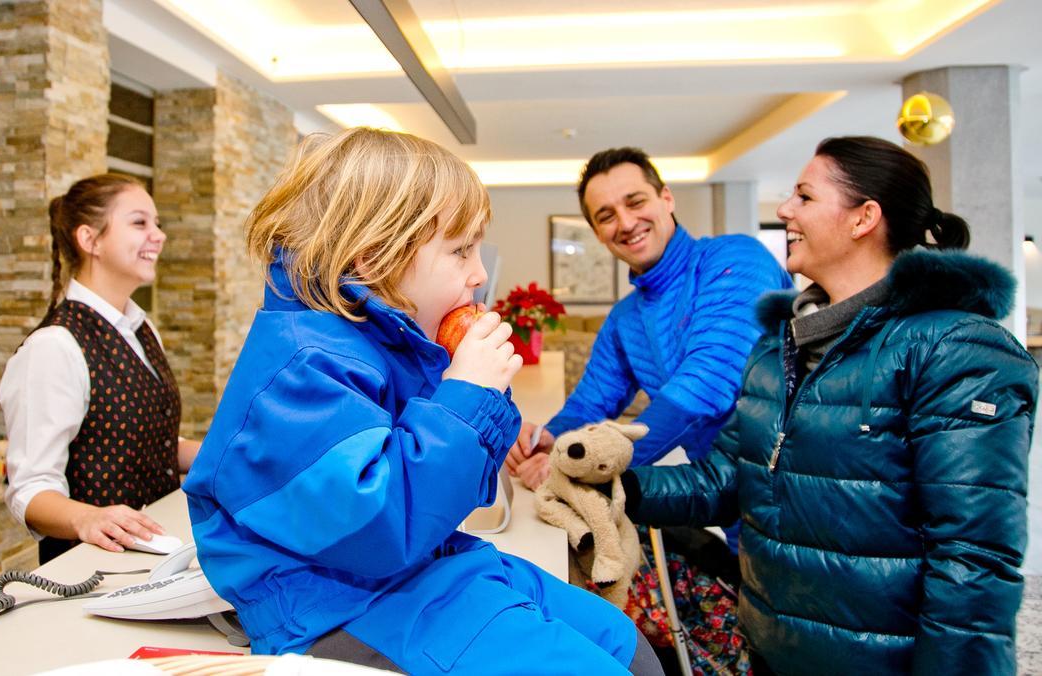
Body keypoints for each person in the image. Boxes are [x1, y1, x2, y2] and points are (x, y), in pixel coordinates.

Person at [183, 128, 661, 675]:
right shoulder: (302, 366)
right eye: (460, 251)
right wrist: (467, 393)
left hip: (415, 567)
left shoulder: (391, 339)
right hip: (335, 607)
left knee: (625, 644)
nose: (480, 274)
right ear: (373, 256)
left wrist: (479, 394)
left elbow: (456, 493)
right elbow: (377, 526)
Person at [622, 136, 1036, 674]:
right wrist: (616, 486)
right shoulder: (777, 350)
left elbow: (972, 564)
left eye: (804, 197)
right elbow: (725, 480)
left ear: (864, 217)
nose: (784, 210)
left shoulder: (956, 350)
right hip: (774, 646)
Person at [508, 148, 790, 502]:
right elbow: (589, 406)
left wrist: (587, 463)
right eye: (606, 216)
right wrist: (549, 440)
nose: (625, 224)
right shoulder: (624, 319)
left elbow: (705, 386)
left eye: (635, 201)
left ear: (666, 198)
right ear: (597, 233)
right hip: (724, 497)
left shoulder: (736, 258)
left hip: (800, 491)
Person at [1, 174, 201, 564]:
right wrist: (88, 518)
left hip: (156, 552)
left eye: (157, 224)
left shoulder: (141, 329)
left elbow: (141, 440)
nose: (158, 235)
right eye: (140, 223)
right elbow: (29, 489)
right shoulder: (54, 346)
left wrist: (226, 454)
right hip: (89, 567)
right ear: (89, 240)